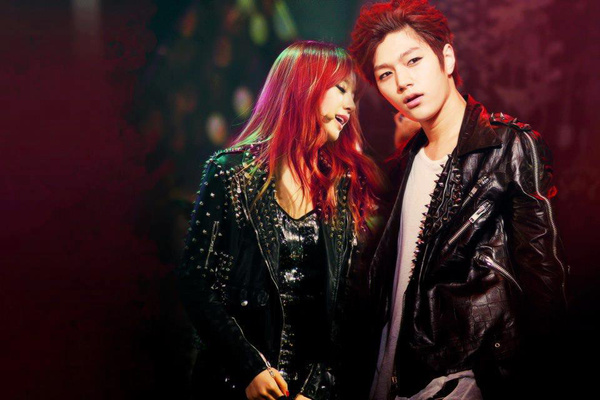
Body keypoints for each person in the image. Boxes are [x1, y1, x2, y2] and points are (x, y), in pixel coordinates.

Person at [348, 1, 569, 399]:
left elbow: (545, 286)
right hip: (395, 378)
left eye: (413, 60)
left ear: (446, 58)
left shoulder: (509, 147)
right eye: (386, 74)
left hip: (469, 380)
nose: (403, 82)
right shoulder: (401, 168)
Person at [177, 40, 382, 400]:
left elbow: (347, 306)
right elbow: (196, 283)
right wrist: (248, 368)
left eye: (353, 95)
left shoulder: (342, 185)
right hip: (234, 385)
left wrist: (315, 389)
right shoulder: (230, 174)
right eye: (340, 89)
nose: (351, 105)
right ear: (305, 87)